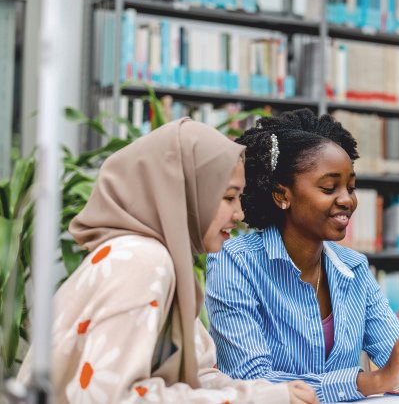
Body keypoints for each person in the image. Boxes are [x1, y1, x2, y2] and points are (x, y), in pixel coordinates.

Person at [17, 119, 317, 403]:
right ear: (183, 193)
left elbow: (196, 378)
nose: (239, 215)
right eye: (228, 197)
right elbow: (112, 398)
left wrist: (272, 394)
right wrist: (259, 398)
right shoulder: (142, 261)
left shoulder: (155, 259)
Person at [205, 109, 399, 403]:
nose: (347, 200)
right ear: (282, 195)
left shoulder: (354, 268)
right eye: (329, 188)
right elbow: (251, 379)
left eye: (351, 188)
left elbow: (396, 357)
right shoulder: (235, 261)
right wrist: (370, 381)